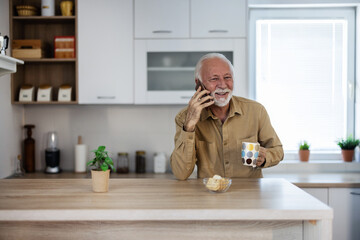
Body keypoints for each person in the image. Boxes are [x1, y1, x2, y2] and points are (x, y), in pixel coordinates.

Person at [170, 53, 284, 180]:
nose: (223, 85)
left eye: (227, 77)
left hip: (249, 194)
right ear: (198, 84)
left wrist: (265, 157)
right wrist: (189, 126)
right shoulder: (184, 118)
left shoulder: (256, 111)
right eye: (214, 79)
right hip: (209, 195)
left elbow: (277, 150)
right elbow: (181, 173)